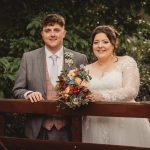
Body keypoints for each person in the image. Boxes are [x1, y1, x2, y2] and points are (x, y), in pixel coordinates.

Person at [12, 13, 88, 141]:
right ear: (42, 34)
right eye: (48, 30)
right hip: (37, 130)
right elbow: (17, 90)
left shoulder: (79, 58)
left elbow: (86, 91)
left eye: (57, 30)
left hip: (69, 130)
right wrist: (28, 94)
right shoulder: (28, 58)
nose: (52, 34)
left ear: (64, 33)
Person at [82, 25, 150, 147]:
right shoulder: (85, 69)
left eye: (105, 42)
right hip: (95, 124)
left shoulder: (126, 62)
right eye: (96, 42)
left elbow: (131, 91)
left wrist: (103, 96)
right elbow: (80, 93)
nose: (100, 46)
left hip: (124, 121)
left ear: (114, 44)